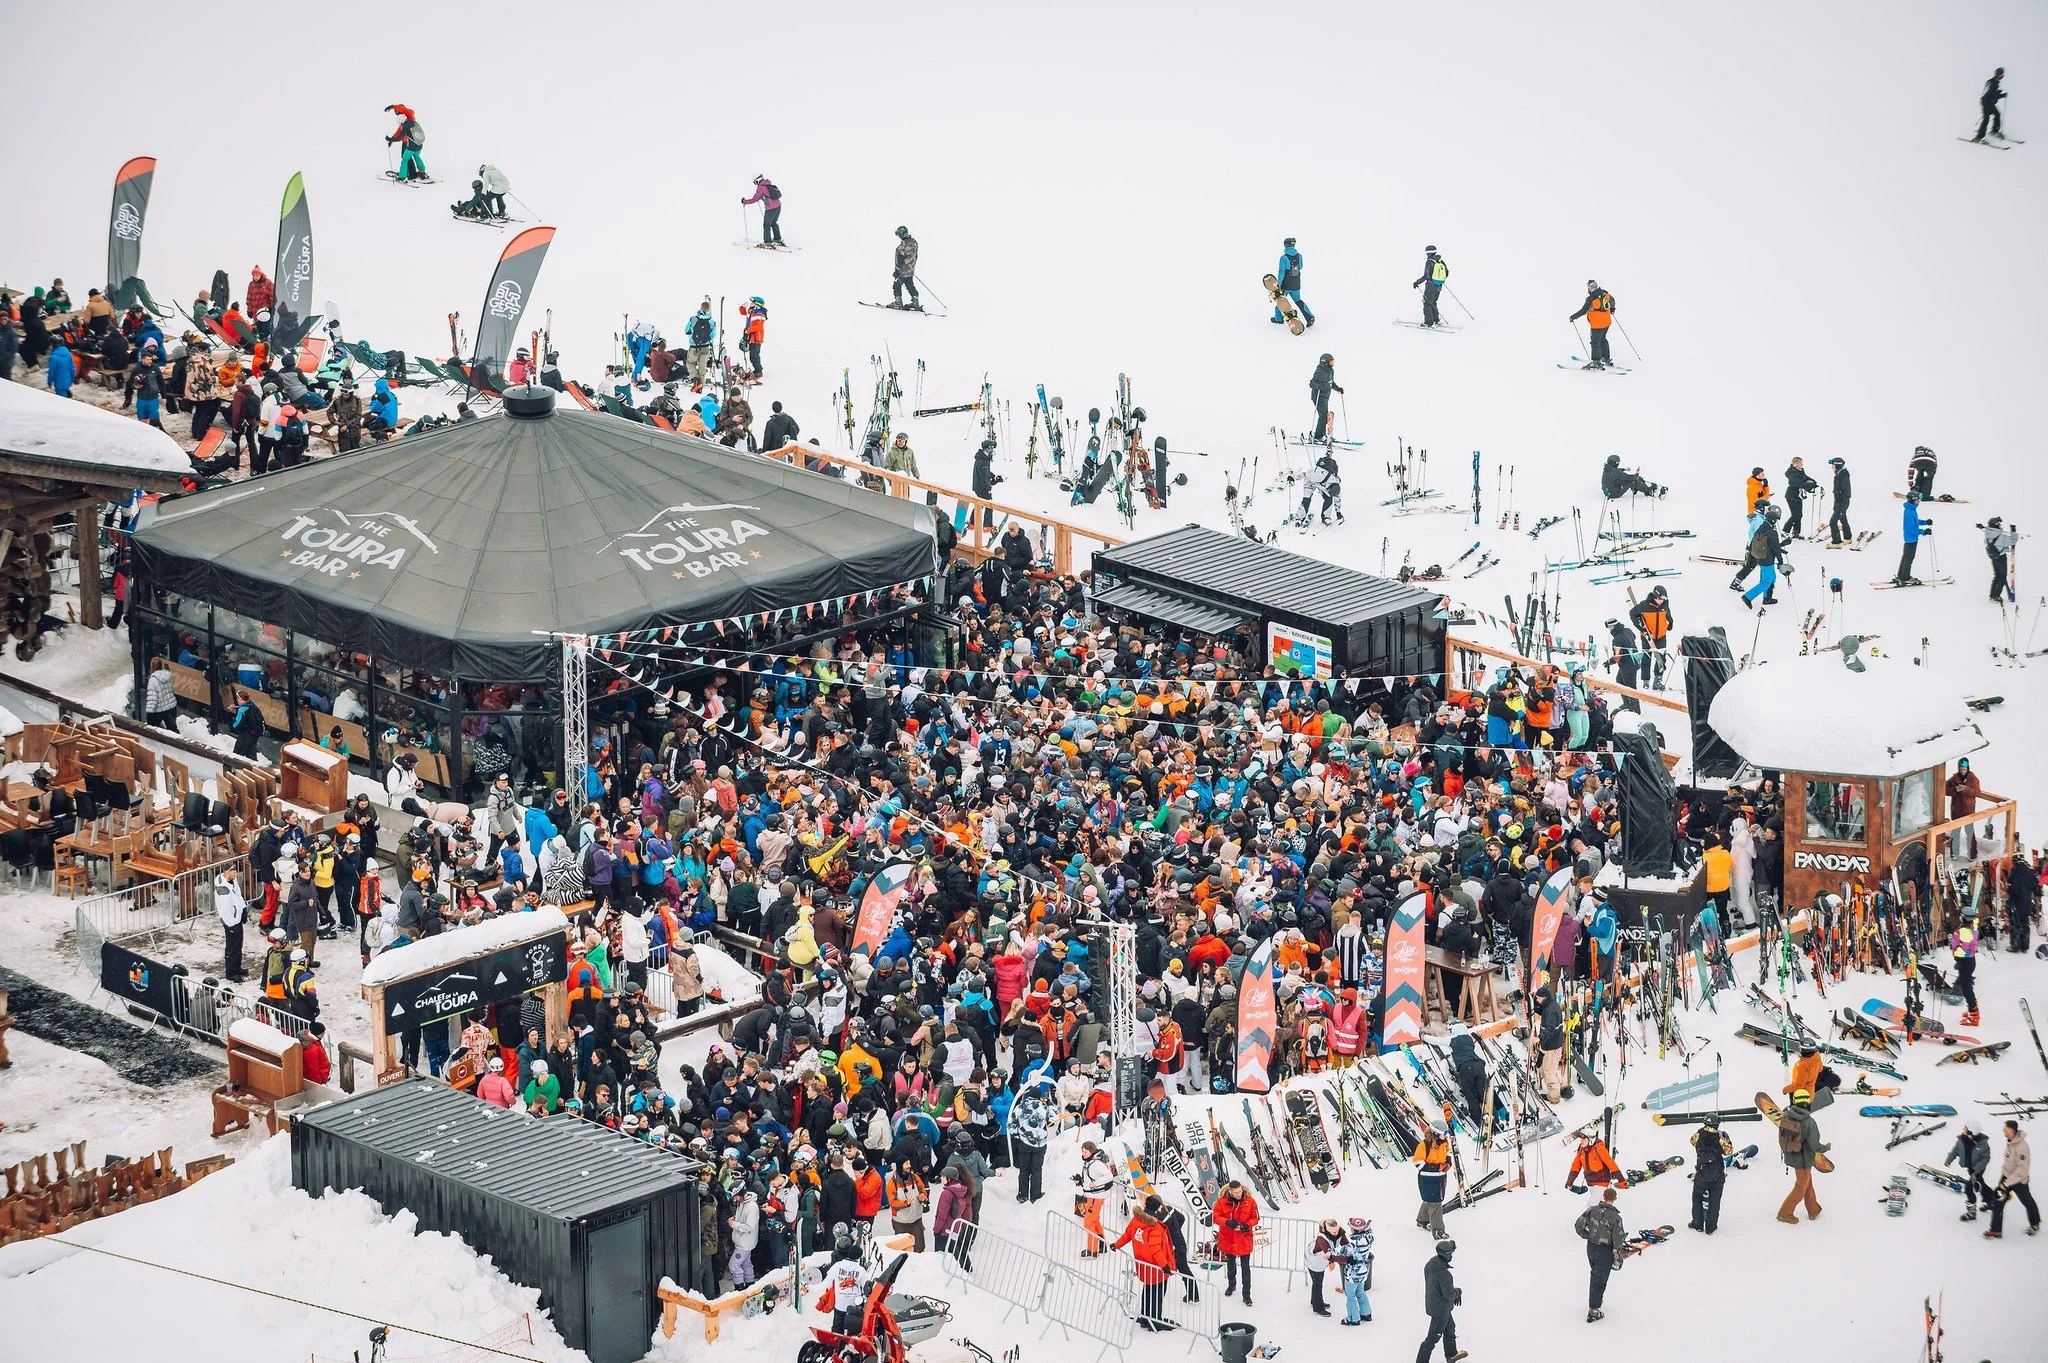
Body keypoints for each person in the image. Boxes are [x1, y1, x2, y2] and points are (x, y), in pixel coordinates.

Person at [1113, 1205, 1176, 1330]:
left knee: (1147, 1291)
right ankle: (1155, 1321)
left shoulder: (1136, 1221)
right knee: (1157, 1294)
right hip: (1157, 1267)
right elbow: (1155, 1248)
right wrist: (1165, 1266)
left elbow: (1127, 1235)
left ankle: (1145, 1318)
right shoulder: (1155, 1227)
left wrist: (1116, 1245)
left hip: (1144, 1265)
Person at [1774, 1088, 1827, 1224]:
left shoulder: (1786, 1115)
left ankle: (1813, 1209)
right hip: (1803, 1160)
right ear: (1808, 1102)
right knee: (1800, 1187)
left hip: (1791, 1156)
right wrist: (1825, 1148)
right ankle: (1784, 1213)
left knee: (1807, 1182)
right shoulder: (1809, 1122)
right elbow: (1814, 1146)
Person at [1575, 1186, 1625, 1322]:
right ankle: (1593, 1309)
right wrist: (1616, 1251)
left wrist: (1587, 1235)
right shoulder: (1616, 1217)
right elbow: (1618, 1238)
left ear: (1603, 1197)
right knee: (1600, 1280)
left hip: (1591, 1247)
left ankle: (1596, 1300)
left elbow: (1578, 1225)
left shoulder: (1592, 1210)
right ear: (1614, 1199)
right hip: (1605, 1250)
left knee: (1595, 1273)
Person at [1987, 1119, 2039, 1239]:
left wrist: (2006, 1184)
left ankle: (2035, 1223)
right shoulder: (2010, 1141)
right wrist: (2004, 1179)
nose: (2002, 1130)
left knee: (2027, 1202)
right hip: (2006, 1177)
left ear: (2011, 1130)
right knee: (1998, 1202)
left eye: (2004, 1128)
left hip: (2019, 1181)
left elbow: (2022, 1170)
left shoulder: (2022, 1146)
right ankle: (1995, 1231)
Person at [1212, 1176, 1258, 1304]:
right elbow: (1216, 1217)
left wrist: (1248, 1225)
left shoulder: (1250, 1201)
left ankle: (1246, 1294)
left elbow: (1255, 1217)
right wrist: (1227, 1222)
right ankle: (1231, 1284)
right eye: (1236, 1192)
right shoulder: (1221, 1202)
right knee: (1230, 1264)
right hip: (1229, 1238)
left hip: (1244, 1238)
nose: (1239, 1194)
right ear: (1230, 1191)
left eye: (1240, 1191)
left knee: (1246, 1268)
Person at [1418, 1238, 1464, 1363]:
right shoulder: (1444, 1274)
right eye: (1451, 1254)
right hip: (1440, 1309)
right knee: (1433, 1337)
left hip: (1436, 1304)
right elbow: (1449, 1295)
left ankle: (1451, 1354)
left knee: (1450, 1329)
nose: (1451, 1256)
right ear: (1447, 1255)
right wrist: (1458, 1292)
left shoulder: (1432, 1263)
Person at [1688, 1117, 1733, 1233]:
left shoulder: (1698, 1135)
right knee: (1714, 1202)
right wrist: (1725, 1138)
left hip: (1701, 1174)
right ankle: (1710, 1228)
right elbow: (1729, 1151)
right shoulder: (1720, 1137)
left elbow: (1692, 1141)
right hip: (1717, 1176)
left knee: (1697, 1199)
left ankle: (1697, 1224)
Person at [1010, 1077, 1051, 1202]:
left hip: (1024, 1143)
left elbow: (1011, 1126)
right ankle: (1035, 1194)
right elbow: (1054, 1118)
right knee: (1037, 1169)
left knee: (1024, 1169)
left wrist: (1019, 1136)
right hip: (1040, 1144)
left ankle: (1023, 1195)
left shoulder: (1020, 1107)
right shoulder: (1043, 1108)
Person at [1742, 503, 1788, 610]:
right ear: (1773, 520)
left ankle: (1767, 598)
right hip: (1767, 560)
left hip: (1761, 557)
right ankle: (1747, 597)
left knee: (1772, 578)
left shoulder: (1761, 527)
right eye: (1776, 520)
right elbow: (1776, 548)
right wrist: (1780, 561)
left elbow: (1760, 542)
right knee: (1766, 582)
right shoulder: (1772, 532)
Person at [1947, 1123, 1995, 1221]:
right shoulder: (1962, 1140)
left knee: (1969, 1187)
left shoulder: (1983, 1144)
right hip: (1970, 1166)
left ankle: (1972, 1212)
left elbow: (1985, 1159)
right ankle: (1992, 1201)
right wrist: (1949, 1160)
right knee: (1979, 1184)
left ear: (1971, 1131)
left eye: (1965, 1128)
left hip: (1979, 1168)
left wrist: (1976, 1169)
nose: (1963, 1129)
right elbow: (1955, 1150)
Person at [1627, 586, 1673, 689]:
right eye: (1660, 599)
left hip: (1661, 636)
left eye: (1664, 599)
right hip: (1647, 636)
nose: (1662, 601)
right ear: (1655, 596)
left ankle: (1658, 681)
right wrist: (1640, 628)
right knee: (1646, 658)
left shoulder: (1665, 605)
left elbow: (1668, 614)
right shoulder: (1645, 605)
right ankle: (1646, 681)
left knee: (1661, 659)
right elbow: (1632, 613)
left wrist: (1670, 622)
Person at [1076, 1140, 1115, 1253]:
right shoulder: (1089, 1162)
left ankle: (1092, 1249)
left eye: (1086, 1152)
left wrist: (1096, 1183)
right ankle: (1101, 1245)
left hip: (1096, 1196)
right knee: (1094, 1221)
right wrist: (1080, 1181)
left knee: (1088, 1222)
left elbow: (1109, 1176)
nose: (1083, 1154)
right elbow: (1090, 1178)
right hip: (1092, 1195)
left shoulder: (1096, 1164)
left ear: (1092, 1152)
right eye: (1082, 1151)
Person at [1413, 1122, 1451, 1237]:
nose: (1445, 1136)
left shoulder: (1444, 1143)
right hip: (1427, 1179)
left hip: (1440, 1178)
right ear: (1435, 1134)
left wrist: (1448, 1163)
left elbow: (1447, 1153)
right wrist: (1436, 1168)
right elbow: (1418, 1162)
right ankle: (1439, 1230)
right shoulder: (1424, 1145)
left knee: (1431, 1199)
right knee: (1436, 1203)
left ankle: (1422, 1220)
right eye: (1443, 1134)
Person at [1570, 280, 1617, 369]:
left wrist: (1573, 317)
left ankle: (1596, 362)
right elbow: (1612, 300)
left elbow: (1583, 311)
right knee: (1603, 339)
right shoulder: (1605, 293)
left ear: (1590, 288)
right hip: (1607, 322)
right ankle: (1606, 358)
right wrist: (1612, 308)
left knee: (1595, 343)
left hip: (1597, 325)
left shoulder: (1591, 299)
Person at [1336, 1217, 1373, 1325]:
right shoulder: (1369, 1237)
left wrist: (1329, 1252)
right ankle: (1366, 1314)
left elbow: (1340, 1251)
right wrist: (1368, 1228)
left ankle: (1353, 1318)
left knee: (1350, 1295)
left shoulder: (1353, 1243)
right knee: (1360, 1292)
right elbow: (1369, 1231)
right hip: (1363, 1272)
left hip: (1353, 1274)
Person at [216, 863, 248, 983]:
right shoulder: (222, 889)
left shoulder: (233, 882)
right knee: (232, 947)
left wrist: (243, 908)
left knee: (238, 945)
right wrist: (231, 922)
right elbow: (225, 909)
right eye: (233, 871)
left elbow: (238, 896)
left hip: (237, 917)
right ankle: (231, 972)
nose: (235, 873)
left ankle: (237, 967)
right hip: (231, 921)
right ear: (227, 872)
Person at [1272, 237, 1315, 327]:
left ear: (1285, 245)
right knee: (1298, 301)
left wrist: (1278, 284)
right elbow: (1301, 266)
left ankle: (1278, 319)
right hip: (1296, 284)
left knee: (1280, 301)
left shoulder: (1283, 258)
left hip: (1286, 285)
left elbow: (1281, 272)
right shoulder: (1299, 256)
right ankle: (1310, 317)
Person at [1894, 490, 1932, 587]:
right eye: (1917, 500)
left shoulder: (1911, 509)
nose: (1919, 501)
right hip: (1911, 538)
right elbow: (1912, 528)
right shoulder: (1909, 511)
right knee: (1909, 558)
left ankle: (1901, 575)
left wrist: (1925, 522)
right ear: (1912, 500)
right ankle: (1905, 577)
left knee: (1906, 556)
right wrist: (1924, 532)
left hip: (1910, 538)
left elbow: (1915, 521)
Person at [1950, 905, 1980, 1027]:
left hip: (1965, 961)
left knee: (1966, 987)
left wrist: (1957, 958)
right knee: (1967, 986)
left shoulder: (1963, 933)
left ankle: (1974, 1015)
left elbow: (1961, 950)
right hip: (1970, 960)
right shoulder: (1974, 928)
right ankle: (1972, 1010)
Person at [1308, 1217, 1343, 1317]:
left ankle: (1314, 1301)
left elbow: (1344, 1242)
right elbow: (1327, 1251)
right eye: (1333, 1232)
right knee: (1318, 1283)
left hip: (1319, 1261)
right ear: (1326, 1230)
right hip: (1314, 1262)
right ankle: (1318, 1308)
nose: (1336, 1233)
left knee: (1317, 1282)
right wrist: (1332, 1261)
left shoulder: (1336, 1232)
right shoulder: (1322, 1239)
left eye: (1337, 1230)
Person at [385, 104, 428, 181]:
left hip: (410, 145)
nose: (396, 112)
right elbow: (399, 132)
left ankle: (403, 175)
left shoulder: (408, 117)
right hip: (419, 145)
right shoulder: (411, 121)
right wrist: (392, 139)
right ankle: (422, 172)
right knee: (416, 156)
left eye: (397, 111)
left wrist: (393, 106)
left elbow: (400, 136)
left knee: (405, 159)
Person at [1982, 517, 2018, 603]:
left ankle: (1992, 594)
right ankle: (1995, 596)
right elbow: (2013, 540)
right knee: (2002, 577)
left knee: (1997, 576)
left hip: (1994, 558)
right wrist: (2013, 531)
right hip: (2001, 558)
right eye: (1999, 524)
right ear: (1996, 526)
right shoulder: (2001, 537)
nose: (2000, 526)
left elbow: (1985, 542)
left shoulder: (1987, 535)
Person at [1782, 456, 1819, 539]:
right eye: (1800, 463)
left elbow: (1805, 478)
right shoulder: (1791, 473)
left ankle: (1796, 532)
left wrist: (1815, 483)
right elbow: (1800, 484)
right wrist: (1811, 485)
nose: (1802, 464)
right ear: (1795, 464)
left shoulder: (1800, 471)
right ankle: (1785, 531)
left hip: (1798, 495)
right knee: (1795, 515)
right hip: (1791, 495)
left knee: (1799, 514)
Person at [742, 176, 784, 245]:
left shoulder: (761, 187)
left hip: (770, 209)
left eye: (755, 182)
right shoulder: (768, 184)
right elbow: (768, 195)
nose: (756, 184)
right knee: (773, 223)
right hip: (778, 206)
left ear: (758, 180)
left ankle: (767, 242)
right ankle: (777, 238)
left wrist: (744, 201)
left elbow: (754, 199)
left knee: (766, 225)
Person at [1413, 246, 1449, 327]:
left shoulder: (1429, 262)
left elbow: (1426, 275)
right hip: (1439, 286)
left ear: (1428, 253)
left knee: (1427, 303)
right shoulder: (1440, 261)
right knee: (1433, 302)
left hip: (1430, 287)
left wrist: (1417, 282)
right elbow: (1447, 273)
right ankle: (1436, 320)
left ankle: (1428, 323)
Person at [1600, 454, 1664, 499]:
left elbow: (1617, 472)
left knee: (1625, 479)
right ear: (1614, 463)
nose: (1618, 464)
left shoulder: (1608, 469)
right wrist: (1637, 474)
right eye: (1617, 463)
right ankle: (1648, 491)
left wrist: (1624, 469)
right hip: (1614, 494)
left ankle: (1637, 487)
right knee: (1632, 481)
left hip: (1608, 491)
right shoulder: (1615, 472)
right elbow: (1629, 477)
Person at [684, 301, 716, 389]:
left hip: (694, 347)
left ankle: (696, 379)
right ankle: (702, 384)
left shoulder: (693, 319)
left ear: (701, 307)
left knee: (690, 363)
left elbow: (686, 330)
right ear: (708, 309)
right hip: (705, 347)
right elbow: (713, 335)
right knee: (702, 365)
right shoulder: (711, 321)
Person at [1309, 353, 1341, 441]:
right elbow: (1311, 383)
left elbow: (1331, 382)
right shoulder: (1320, 371)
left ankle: (1321, 434)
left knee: (1325, 416)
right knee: (1323, 416)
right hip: (1318, 397)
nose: (1332, 364)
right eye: (1330, 362)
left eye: (1333, 362)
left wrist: (1338, 388)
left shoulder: (1331, 371)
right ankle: (1318, 436)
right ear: (1324, 362)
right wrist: (1317, 386)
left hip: (1325, 397)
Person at [1975, 68, 2007, 143]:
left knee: (1997, 114)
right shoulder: (1994, 83)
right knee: (1986, 119)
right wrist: (2002, 95)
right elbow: (1993, 95)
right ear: (1999, 75)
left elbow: (1989, 92)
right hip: (1987, 102)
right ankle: (1979, 137)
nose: (2003, 76)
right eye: (2002, 74)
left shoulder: (1991, 81)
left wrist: (1997, 92)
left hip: (1988, 102)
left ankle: (1994, 131)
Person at [1826, 455, 1853, 545]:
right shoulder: (1840, 474)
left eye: (1833, 466)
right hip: (1840, 502)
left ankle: (1836, 542)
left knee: (1832, 522)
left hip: (1842, 503)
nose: (1831, 468)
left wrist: (1841, 504)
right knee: (1843, 519)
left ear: (1837, 466)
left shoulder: (1843, 475)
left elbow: (1846, 491)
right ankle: (1848, 538)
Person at [892, 227, 921, 310]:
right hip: (911, 270)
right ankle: (915, 302)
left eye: (899, 234)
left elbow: (899, 261)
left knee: (896, 285)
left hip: (902, 272)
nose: (899, 236)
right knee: (910, 285)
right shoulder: (914, 243)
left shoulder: (901, 247)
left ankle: (898, 303)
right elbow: (915, 256)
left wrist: (896, 271)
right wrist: (911, 267)